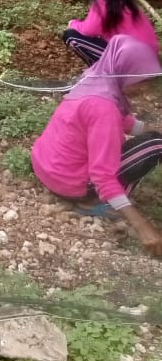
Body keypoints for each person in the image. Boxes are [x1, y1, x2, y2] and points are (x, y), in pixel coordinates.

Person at [32, 36, 162, 256]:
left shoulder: (95, 80)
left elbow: (125, 122)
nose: (145, 88)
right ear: (124, 70)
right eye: (141, 80)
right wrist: (143, 227)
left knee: (154, 135)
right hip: (71, 183)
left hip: (47, 167)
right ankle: (93, 203)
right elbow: (102, 176)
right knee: (154, 144)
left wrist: (155, 126)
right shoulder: (105, 109)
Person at [63, 0, 159, 66]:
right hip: (149, 56)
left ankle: (102, 74)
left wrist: (72, 23)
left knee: (71, 35)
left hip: (133, 58)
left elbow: (89, 30)